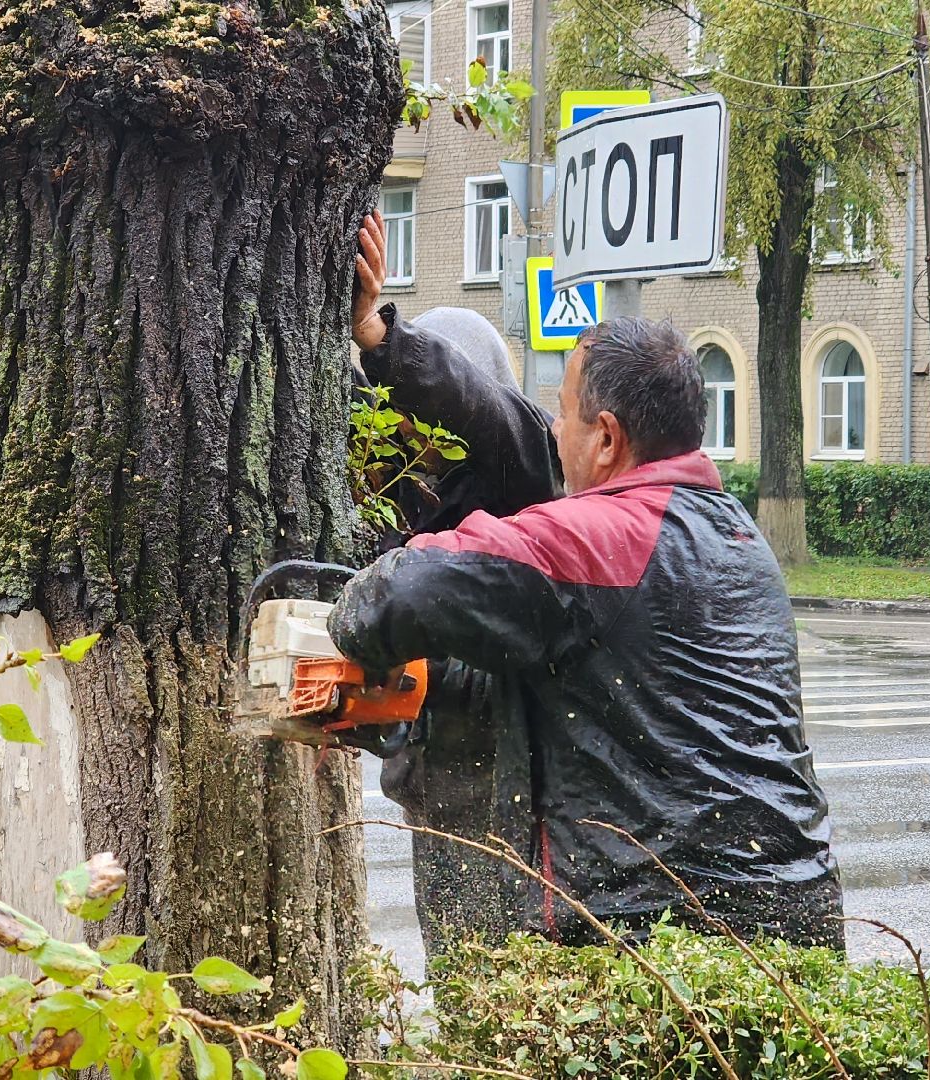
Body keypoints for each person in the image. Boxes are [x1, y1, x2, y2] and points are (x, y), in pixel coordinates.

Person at [336, 239, 843, 949]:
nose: (552, 430)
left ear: (606, 439)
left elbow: (404, 591)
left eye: (565, 414)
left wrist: (343, 609)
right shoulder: (738, 536)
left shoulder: (599, 537)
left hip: (659, 936)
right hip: (791, 917)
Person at [346, 213, 560, 962]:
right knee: (460, 971)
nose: (407, 432)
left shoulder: (518, 462)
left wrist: (379, 337)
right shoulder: (401, 498)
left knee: (521, 981)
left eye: (418, 411)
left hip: (516, 785)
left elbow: (482, 411)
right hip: (433, 785)